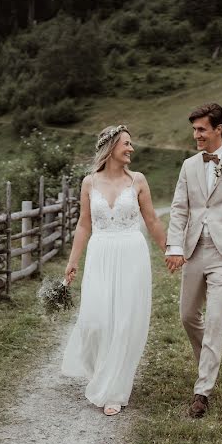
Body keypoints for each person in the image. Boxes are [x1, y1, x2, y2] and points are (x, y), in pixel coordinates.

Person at [62, 125, 167, 416]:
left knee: (123, 322)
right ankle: (102, 372)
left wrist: (170, 251)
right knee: (95, 321)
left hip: (131, 254)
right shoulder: (89, 183)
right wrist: (73, 260)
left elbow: (153, 222)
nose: (131, 149)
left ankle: (114, 389)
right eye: (126, 144)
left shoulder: (138, 181)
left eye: (131, 144)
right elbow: (84, 224)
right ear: (110, 148)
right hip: (100, 253)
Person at [165, 103, 222, 418]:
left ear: (218, 128)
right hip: (193, 250)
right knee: (188, 315)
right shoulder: (189, 166)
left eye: (201, 129)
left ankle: (202, 391)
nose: (196, 135)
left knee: (216, 320)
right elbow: (179, 209)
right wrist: (174, 247)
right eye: (194, 129)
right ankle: (209, 358)